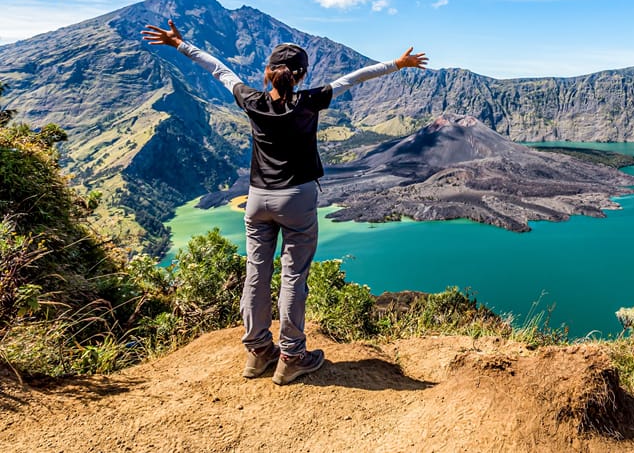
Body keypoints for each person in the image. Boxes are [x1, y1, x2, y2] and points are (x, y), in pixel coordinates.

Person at [142, 19, 427, 384]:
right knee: (293, 275)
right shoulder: (310, 101)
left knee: (256, 272)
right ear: (301, 75)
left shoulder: (251, 100)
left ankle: (258, 351)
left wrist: (180, 45)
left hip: (257, 199)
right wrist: (397, 64)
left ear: (267, 73)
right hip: (297, 198)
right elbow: (354, 78)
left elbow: (218, 70)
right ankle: (292, 355)